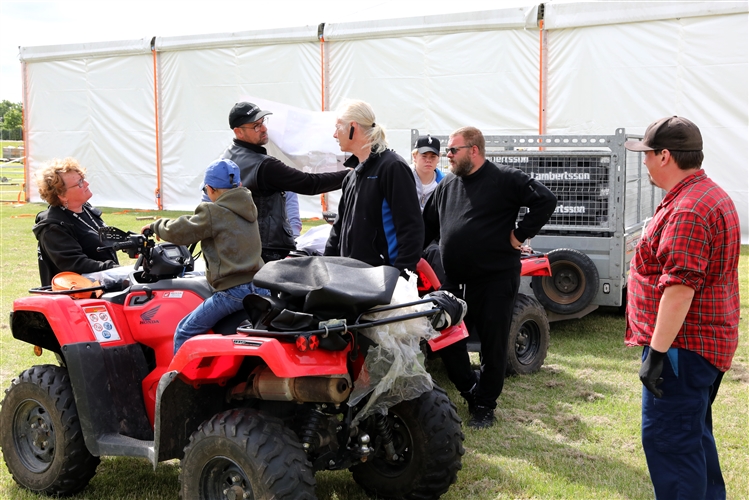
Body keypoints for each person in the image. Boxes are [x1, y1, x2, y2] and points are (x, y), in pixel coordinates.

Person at [624, 116, 740, 499]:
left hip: (681, 348)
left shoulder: (688, 208)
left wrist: (656, 353)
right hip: (699, 345)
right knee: (693, 437)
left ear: (666, 156)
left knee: (670, 445)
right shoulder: (708, 194)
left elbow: (679, 289)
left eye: (647, 154)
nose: (644, 161)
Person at [422, 126, 557, 428]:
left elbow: (545, 200)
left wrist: (519, 235)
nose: (448, 155)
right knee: (447, 339)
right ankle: (471, 390)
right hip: (454, 282)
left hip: (494, 279)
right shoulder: (447, 186)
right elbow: (426, 226)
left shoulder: (505, 179)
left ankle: (485, 406)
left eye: (453, 150)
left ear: (474, 150)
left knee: (492, 345)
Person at [142, 159, 264, 354]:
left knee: (184, 331)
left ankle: (177, 382)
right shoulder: (248, 207)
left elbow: (181, 231)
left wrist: (156, 226)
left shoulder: (213, 211)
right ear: (239, 185)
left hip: (232, 291)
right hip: (258, 287)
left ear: (210, 189)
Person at [220, 101, 348, 262]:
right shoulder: (264, 166)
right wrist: (350, 175)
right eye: (256, 126)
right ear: (238, 132)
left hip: (236, 246)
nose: (264, 129)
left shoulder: (226, 158)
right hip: (265, 249)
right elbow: (310, 183)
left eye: (262, 123)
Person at [324, 99, 424, 275]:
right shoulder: (352, 175)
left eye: (338, 127)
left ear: (352, 127)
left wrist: (402, 276)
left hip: (381, 278)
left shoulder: (392, 167)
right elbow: (337, 231)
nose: (334, 134)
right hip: (349, 277)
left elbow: (411, 227)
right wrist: (325, 268)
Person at [33, 157, 119, 286]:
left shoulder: (86, 210)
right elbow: (74, 263)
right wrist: (114, 269)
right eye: (79, 183)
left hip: (104, 286)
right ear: (61, 195)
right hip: (77, 296)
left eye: (83, 179)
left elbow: (104, 240)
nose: (86, 184)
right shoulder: (52, 226)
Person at [411, 135, 445, 211]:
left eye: (433, 157)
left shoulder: (444, 182)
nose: (428, 160)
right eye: (424, 156)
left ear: (438, 158)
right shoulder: (404, 176)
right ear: (414, 157)